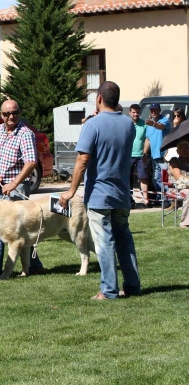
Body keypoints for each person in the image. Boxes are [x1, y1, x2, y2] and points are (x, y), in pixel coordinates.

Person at [59, 81, 141, 300]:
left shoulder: (92, 124)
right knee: (124, 240)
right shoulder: (129, 125)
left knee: (104, 242)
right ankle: (132, 286)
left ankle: (109, 290)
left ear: (98, 99)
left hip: (99, 195)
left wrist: (70, 191)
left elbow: (83, 158)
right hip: (123, 193)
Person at [0, 99, 44, 277]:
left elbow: (31, 161)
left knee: (16, 229)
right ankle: (0, 268)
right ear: (1, 115)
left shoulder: (25, 133)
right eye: (6, 114)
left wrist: (14, 183)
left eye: (14, 113)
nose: (11, 117)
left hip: (17, 189)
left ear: (19, 113)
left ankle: (0, 269)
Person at [144, 103, 171, 206]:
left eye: (155, 110)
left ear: (159, 110)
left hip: (163, 155)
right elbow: (147, 140)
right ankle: (162, 198)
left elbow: (161, 127)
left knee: (165, 179)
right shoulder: (149, 124)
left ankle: (169, 199)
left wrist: (153, 124)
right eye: (152, 110)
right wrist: (145, 154)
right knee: (156, 179)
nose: (153, 112)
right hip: (154, 156)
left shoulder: (164, 120)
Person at [128, 104, 150, 208]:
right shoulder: (126, 123)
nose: (135, 114)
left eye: (137, 112)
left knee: (143, 177)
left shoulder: (144, 124)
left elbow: (147, 139)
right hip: (128, 155)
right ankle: (129, 199)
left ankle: (146, 200)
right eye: (133, 112)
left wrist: (145, 153)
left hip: (141, 155)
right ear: (130, 112)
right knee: (128, 177)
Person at [168, 140, 189, 228]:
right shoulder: (174, 161)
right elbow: (178, 176)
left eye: (187, 147)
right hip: (177, 189)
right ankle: (185, 223)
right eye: (181, 148)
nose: (184, 150)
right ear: (177, 151)